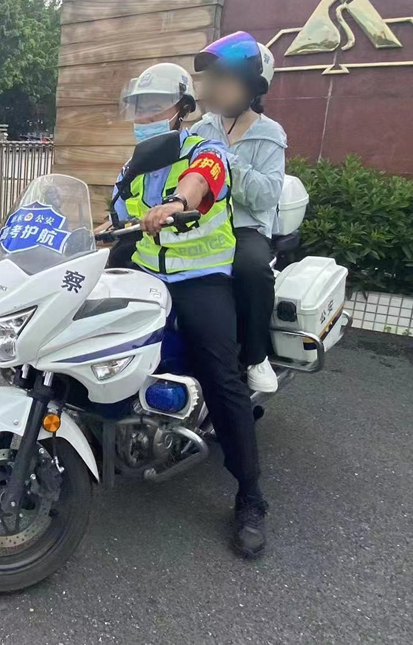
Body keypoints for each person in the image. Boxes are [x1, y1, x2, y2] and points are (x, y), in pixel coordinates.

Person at [108, 62, 268, 557]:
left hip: (200, 279)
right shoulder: (134, 164)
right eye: (138, 107)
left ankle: (250, 496)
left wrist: (177, 203)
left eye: (154, 106)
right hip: (145, 275)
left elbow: (202, 181)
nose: (144, 116)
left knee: (222, 375)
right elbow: (116, 212)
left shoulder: (205, 149)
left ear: (181, 108)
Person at [192, 32, 286, 394]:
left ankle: (256, 355)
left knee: (252, 268)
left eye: (227, 79)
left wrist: (225, 164)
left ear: (252, 87)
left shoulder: (270, 134)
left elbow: (266, 196)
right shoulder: (201, 128)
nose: (217, 87)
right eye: (215, 79)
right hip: (202, 223)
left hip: (245, 229)